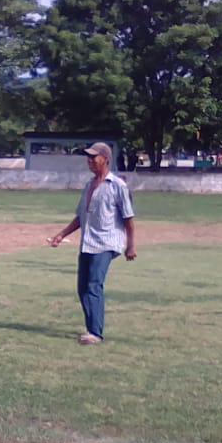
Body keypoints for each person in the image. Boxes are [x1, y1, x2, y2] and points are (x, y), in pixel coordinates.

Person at [45, 141, 137, 346]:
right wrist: (61, 234)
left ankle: (95, 333)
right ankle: (91, 328)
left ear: (105, 159)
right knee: (82, 288)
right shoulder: (89, 185)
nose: (90, 160)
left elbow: (129, 218)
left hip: (106, 243)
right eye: (88, 157)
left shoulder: (118, 186)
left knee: (94, 284)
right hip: (87, 243)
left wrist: (131, 246)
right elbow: (81, 217)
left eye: (94, 157)